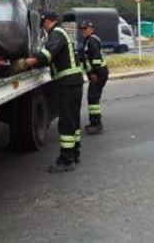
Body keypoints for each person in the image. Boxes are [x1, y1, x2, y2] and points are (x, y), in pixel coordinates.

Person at [16, 10, 84, 172]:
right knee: (73, 120)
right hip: (74, 82)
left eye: (43, 24)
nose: (43, 28)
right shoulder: (62, 33)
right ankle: (74, 153)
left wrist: (26, 63)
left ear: (49, 21)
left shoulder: (57, 33)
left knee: (66, 122)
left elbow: (46, 56)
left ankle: (67, 160)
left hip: (67, 84)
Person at [79, 20, 109, 135]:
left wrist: (93, 73)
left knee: (93, 98)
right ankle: (95, 122)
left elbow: (96, 58)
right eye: (82, 29)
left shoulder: (91, 41)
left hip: (98, 73)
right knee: (92, 98)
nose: (83, 31)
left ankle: (97, 124)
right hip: (98, 73)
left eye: (85, 29)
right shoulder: (89, 40)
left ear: (91, 30)